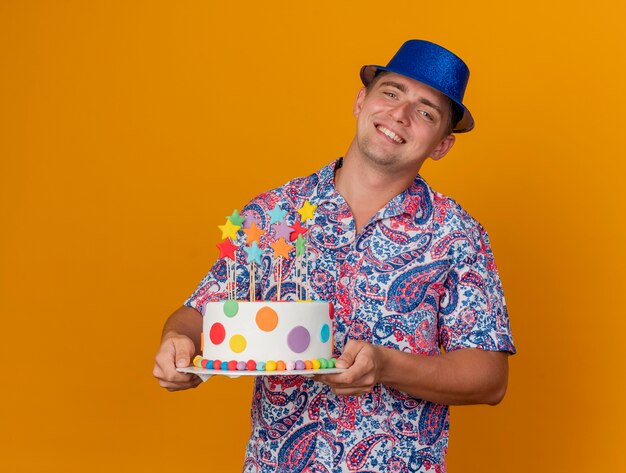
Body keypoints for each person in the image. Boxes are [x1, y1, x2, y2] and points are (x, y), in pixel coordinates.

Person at [153, 39, 515, 472]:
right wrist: (177, 343)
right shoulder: (274, 214)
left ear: (441, 145)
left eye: (426, 112)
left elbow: (489, 377)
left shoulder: (458, 235)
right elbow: (200, 312)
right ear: (361, 101)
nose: (399, 115)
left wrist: (386, 365)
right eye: (391, 92)